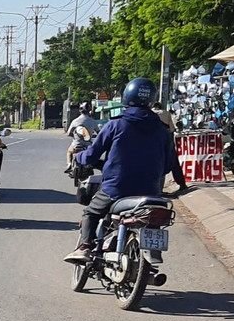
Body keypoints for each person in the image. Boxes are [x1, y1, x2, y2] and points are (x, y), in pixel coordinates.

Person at [64, 77, 181, 265]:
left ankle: (85, 247)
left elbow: (92, 155)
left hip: (116, 189)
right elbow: (168, 165)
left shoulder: (115, 124)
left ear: (127, 97)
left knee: (91, 213)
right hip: (150, 192)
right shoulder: (162, 129)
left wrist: (78, 158)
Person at [64, 101, 102, 172]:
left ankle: (69, 164)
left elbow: (68, 133)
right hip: (88, 145)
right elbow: (99, 133)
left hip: (76, 144)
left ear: (80, 110)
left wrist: (76, 137)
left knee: (69, 152)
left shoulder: (75, 121)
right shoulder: (93, 121)